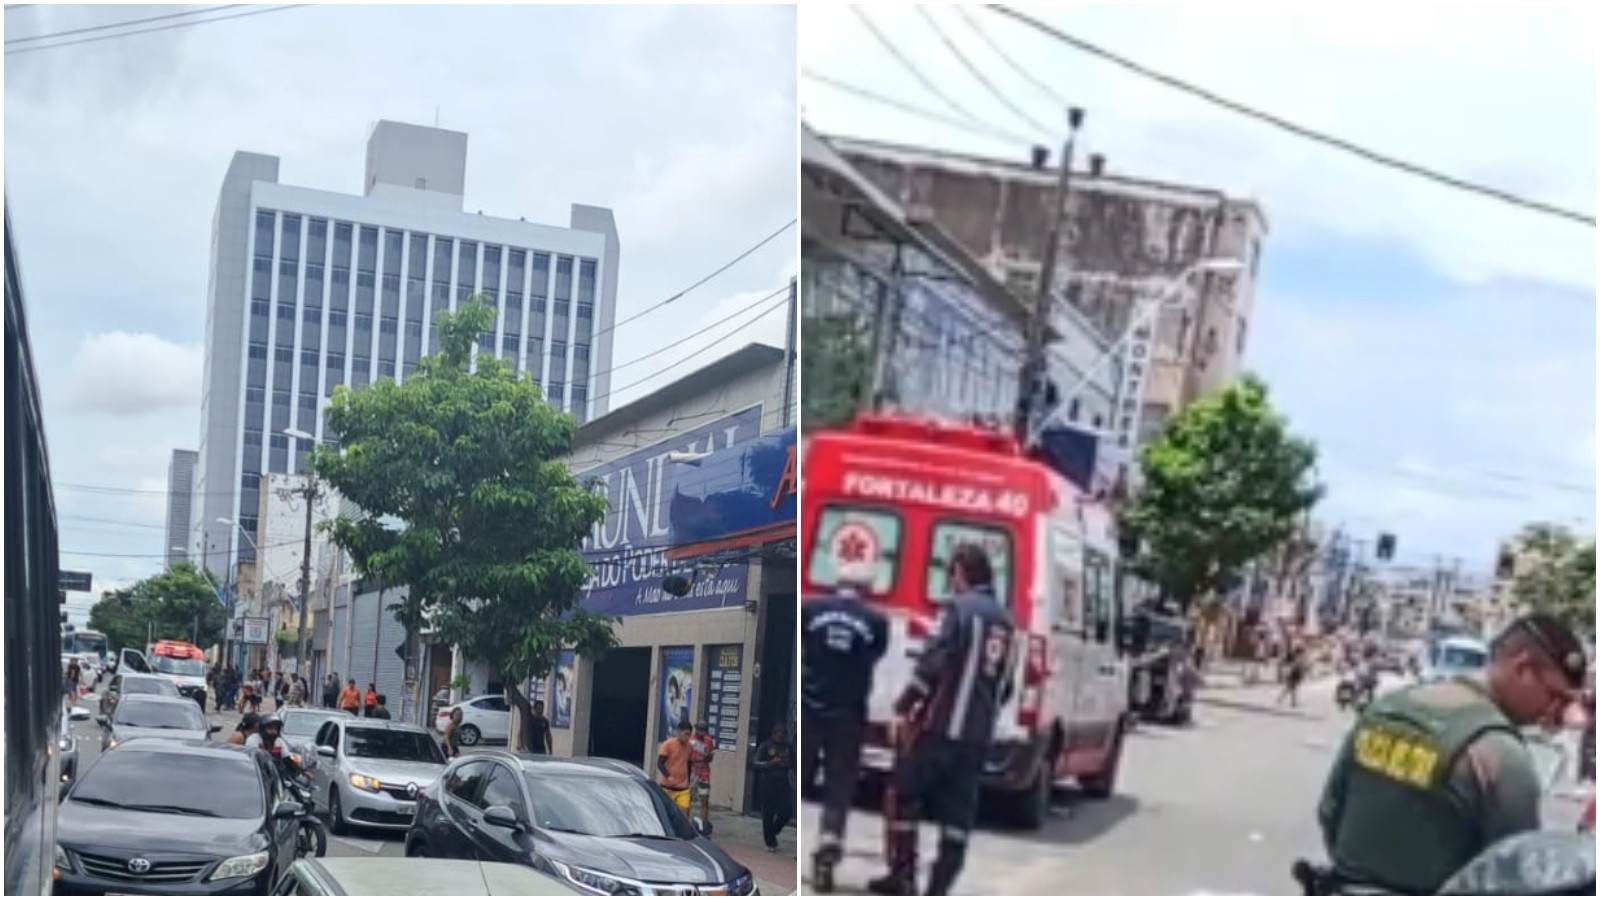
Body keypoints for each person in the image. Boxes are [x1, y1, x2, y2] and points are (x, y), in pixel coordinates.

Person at [1315, 613, 1588, 894]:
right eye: (1556, 696)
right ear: (1523, 669)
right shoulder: (1498, 752)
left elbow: (1330, 812)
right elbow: (1518, 877)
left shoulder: (1389, 708)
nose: (1558, 712)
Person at [869, 542, 1017, 896]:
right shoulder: (1006, 622)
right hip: (978, 738)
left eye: (951, 574)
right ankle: (939, 887)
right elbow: (1006, 685)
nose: (951, 582)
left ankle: (903, 875)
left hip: (940, 730)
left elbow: (933, 663)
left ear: (961, 572)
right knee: (958, 819)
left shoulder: (959, 611)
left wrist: (905, 707)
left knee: (904, 793)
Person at [801, 561, 888, 886]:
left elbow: (806, 649)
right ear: (865, 588)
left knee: (802, 777)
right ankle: (829, 838)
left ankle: (794, 848)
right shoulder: (876, 621)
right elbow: (875, 656)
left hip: (811, 709)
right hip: (848, 716)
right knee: (839, 784)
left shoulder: (810, 610)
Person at [752, 723, 794, 852]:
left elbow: (795, 762)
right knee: (768, 813)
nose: (780, 738)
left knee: (787, 810)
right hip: (768, 782)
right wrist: (770, 763)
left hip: (783, 781)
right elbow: (755, 763)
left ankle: (775, 830)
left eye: (783, 735)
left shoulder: (788, 747)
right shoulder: (766, 745)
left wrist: (788, 763)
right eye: (778, 735)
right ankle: (770, 842)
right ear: (774, 734)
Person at [657, 720, 694, 815]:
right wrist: (668, 776)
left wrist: (688, 782)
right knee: (666, 814)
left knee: (684, 814)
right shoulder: (668, 744)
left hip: (683, 787)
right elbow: (660, 763)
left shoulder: (689, 747)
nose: (687, 737)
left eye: (689, 735)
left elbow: (689, 764)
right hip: (667, 787)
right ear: (679, 732)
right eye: (685, 734)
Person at [689, 722, 716, 824]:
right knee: (688, 798)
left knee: (704, 799)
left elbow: (711, 758)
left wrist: (707, 757)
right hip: (692, 772)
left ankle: (704, 823)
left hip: (704, 773)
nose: (701, 733)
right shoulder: (690, 740)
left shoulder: (708, 740)